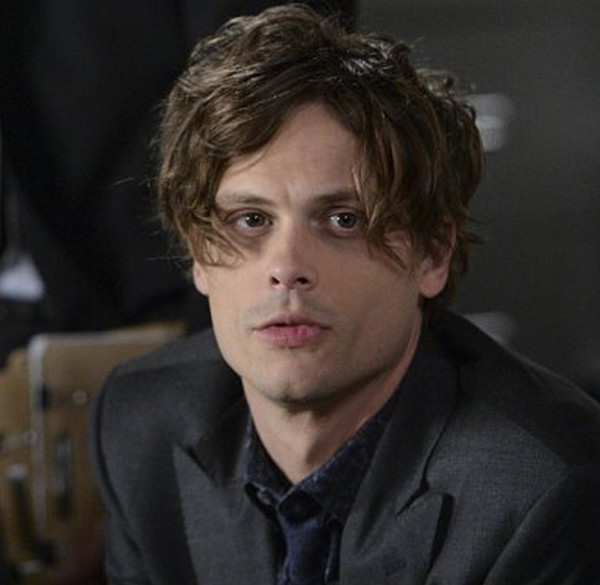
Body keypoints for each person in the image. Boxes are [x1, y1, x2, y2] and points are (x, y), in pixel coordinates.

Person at [91, 4, 600, 584]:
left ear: (432, 255)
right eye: (250, 220)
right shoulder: (142, 423)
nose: (286, 268)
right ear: (199, 256)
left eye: (343, 220)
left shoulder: (543, 488)